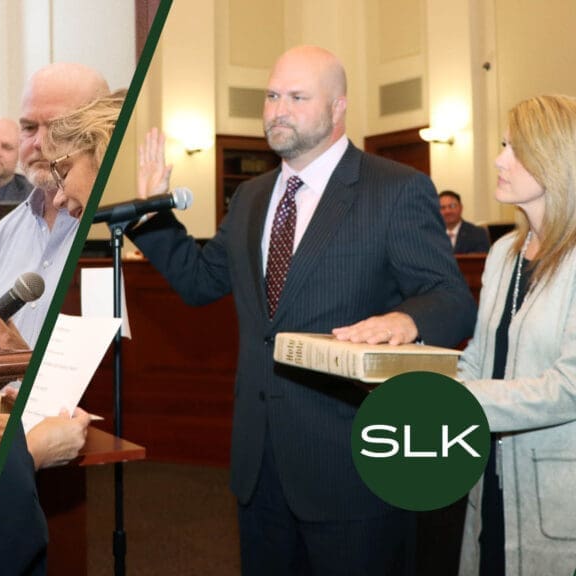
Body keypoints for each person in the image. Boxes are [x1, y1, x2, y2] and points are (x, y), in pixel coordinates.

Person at [126, 45, 475, 575]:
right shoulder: (251, 196)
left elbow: (451, 299)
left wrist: (404, 321)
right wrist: (153, 213)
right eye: (271, 96)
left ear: (338, 107)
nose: (277, 111)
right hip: (259, 463)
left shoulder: (395, 189)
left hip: (351, 465)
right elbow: (200, 283)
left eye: (296, 97)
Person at [456, 94, 576, 575]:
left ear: (555, 158)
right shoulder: (504, 252)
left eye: (514, 148)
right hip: (489, 476)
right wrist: (425, 386)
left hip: (557, 492)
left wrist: (458, 401)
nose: (498, 160)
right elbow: (479, 356)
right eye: (503, 145)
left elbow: (568, 387)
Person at [0, 62, 110, 349]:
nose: (39, 143)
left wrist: (23, 362)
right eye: (29, 128)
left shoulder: (112, 229)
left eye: (58, 127)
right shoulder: (1, 234)